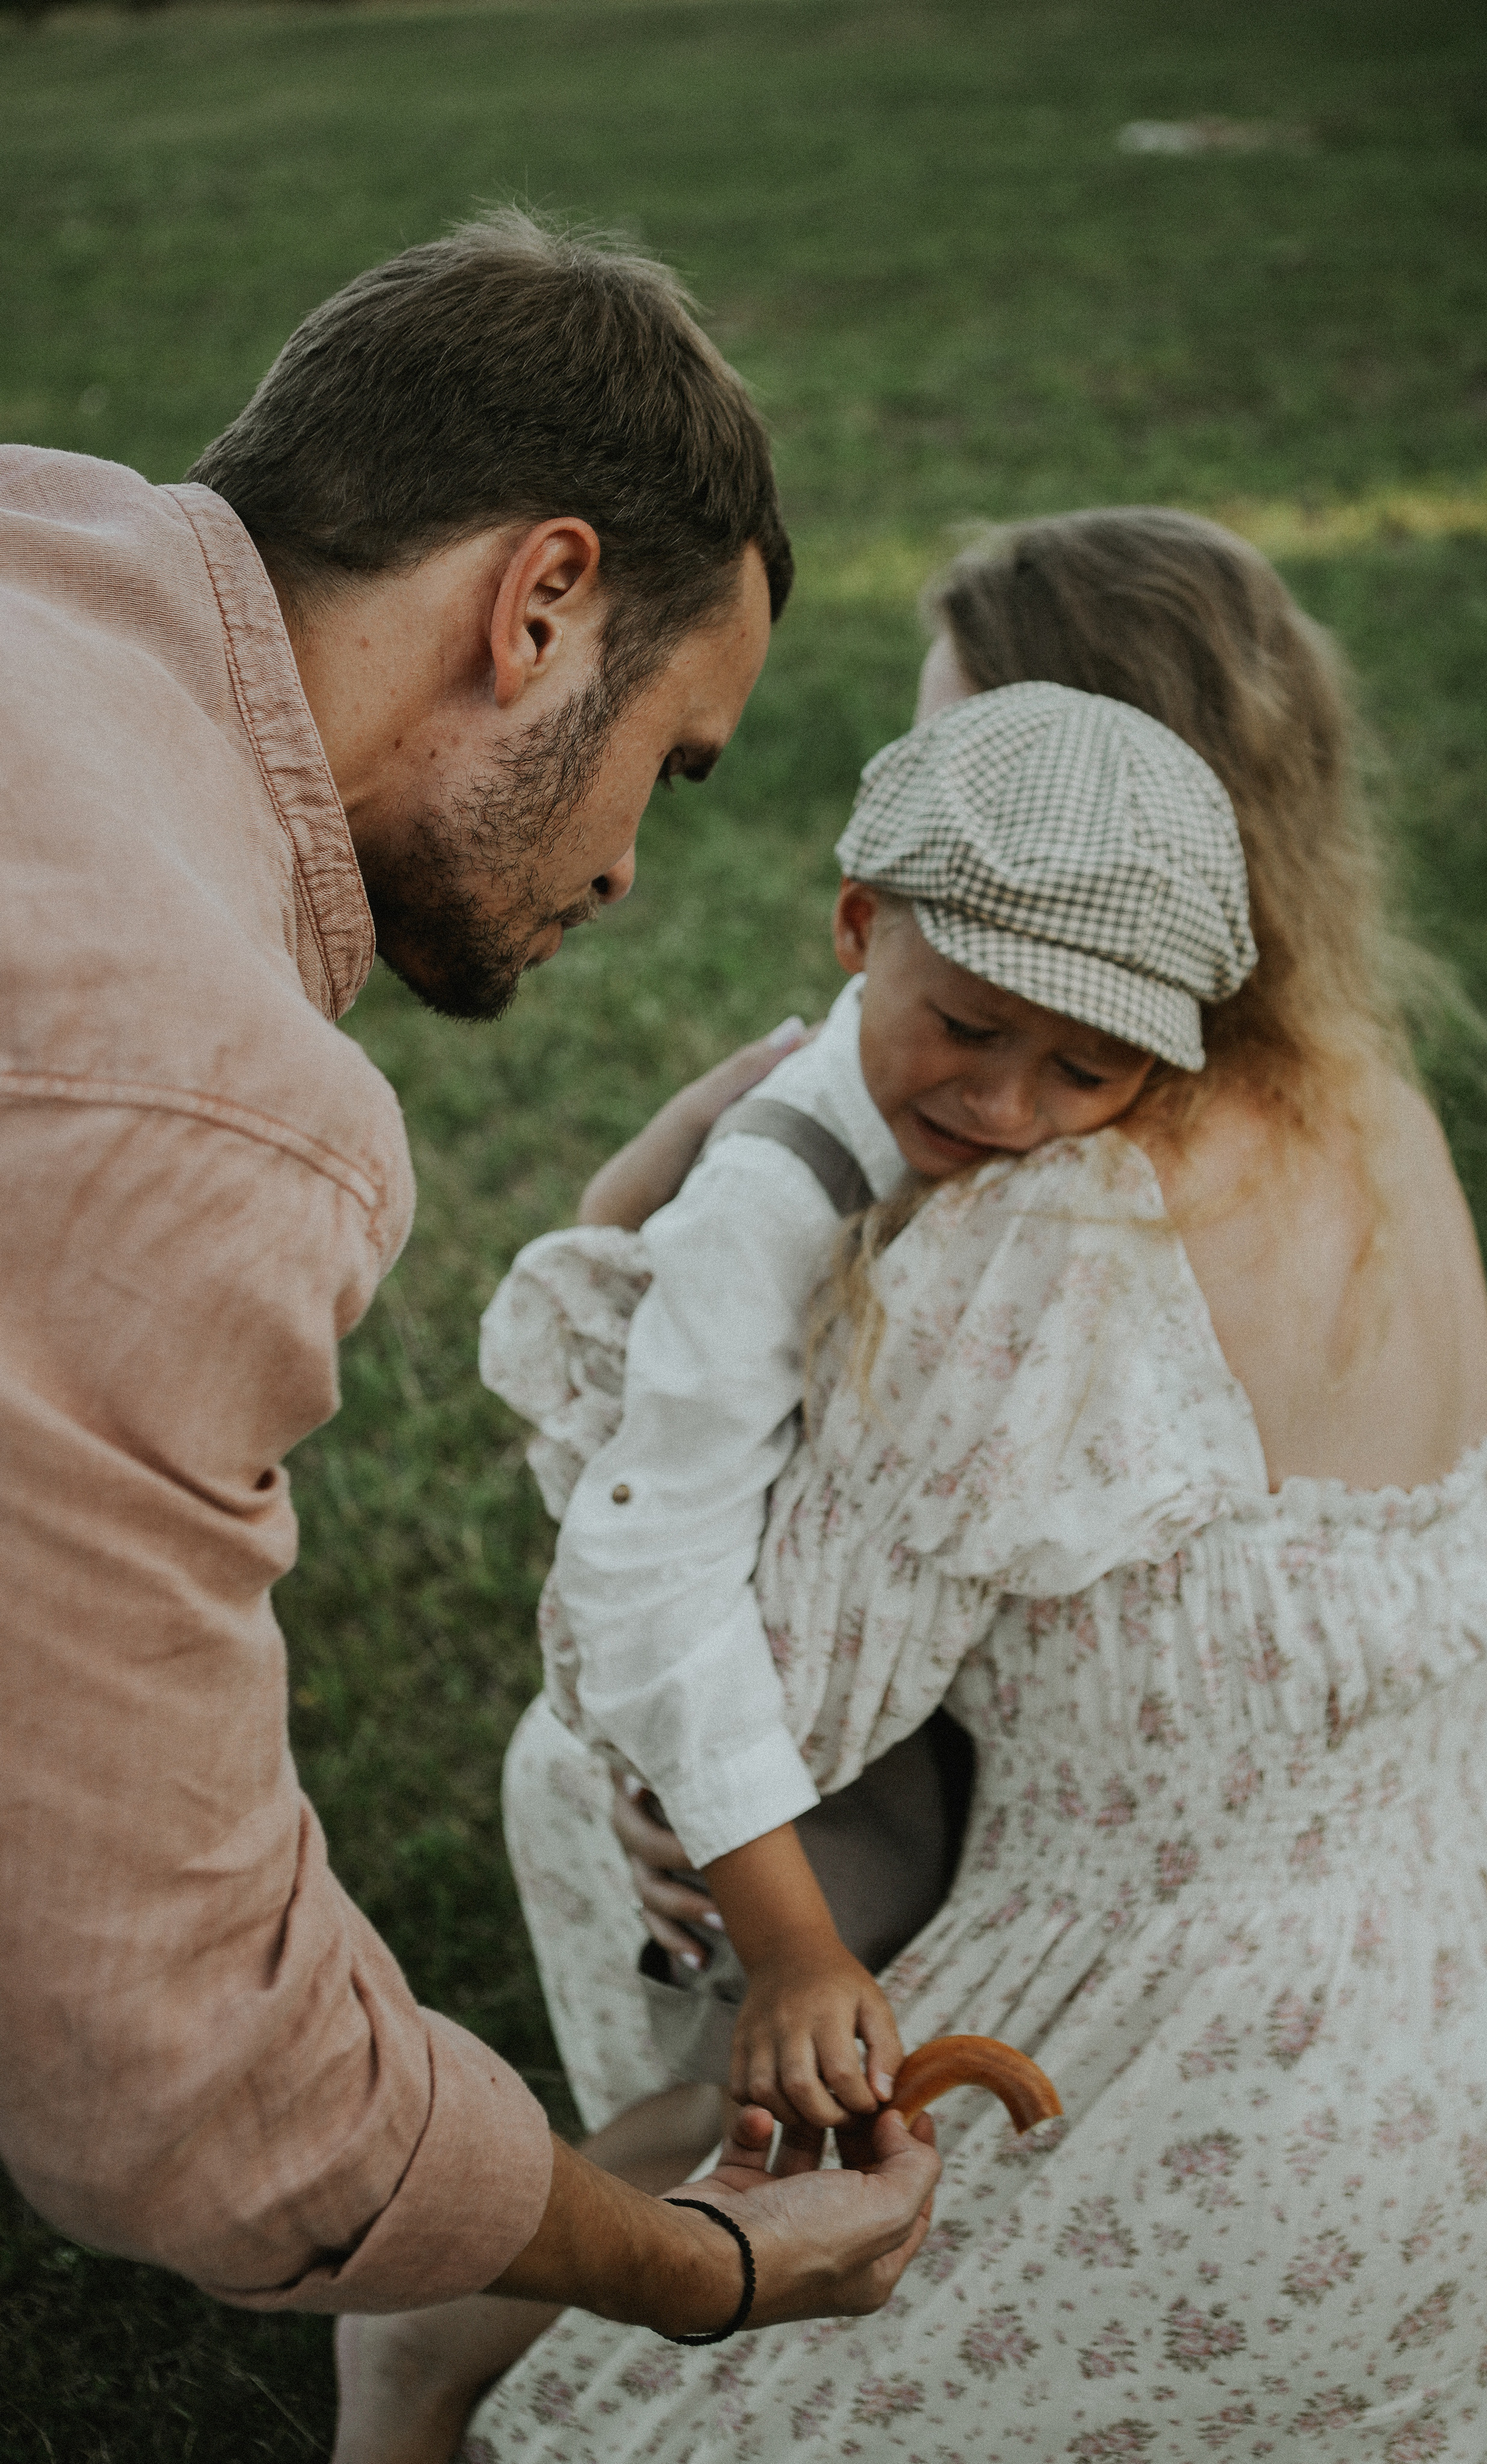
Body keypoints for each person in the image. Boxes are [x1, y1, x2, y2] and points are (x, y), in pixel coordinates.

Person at [460, 508, 1487, 2459]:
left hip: (1194, 2102)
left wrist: (617, 1217)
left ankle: (496, 2287)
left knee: (583, 1788)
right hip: (1462, 2056)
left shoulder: (1049, 1231)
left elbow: (730, 1685)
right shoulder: (1365, 1089)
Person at [0, 206, 943, 2388]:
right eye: (669, 765)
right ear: (541, 605)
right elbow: (184, 2076)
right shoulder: (201, 1094)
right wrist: (703, 2262)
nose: (624, 865)